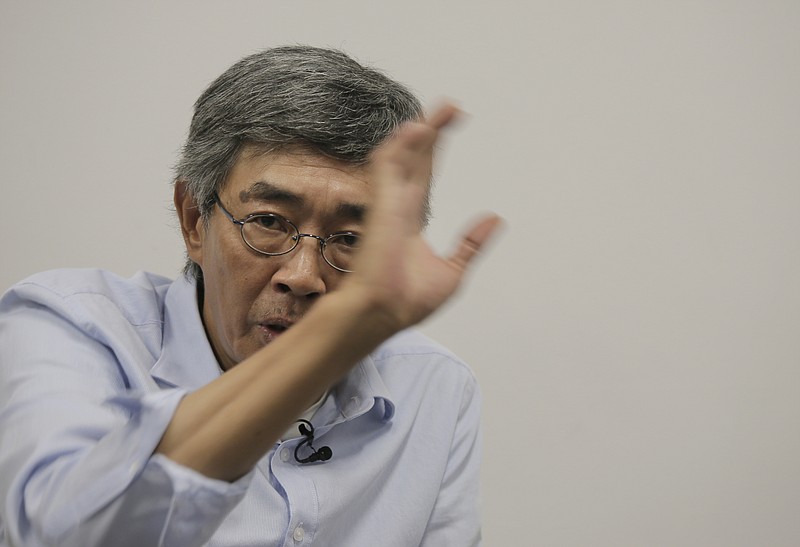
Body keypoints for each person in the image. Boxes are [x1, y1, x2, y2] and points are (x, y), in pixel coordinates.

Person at [0, 45, 500, 546]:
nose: (304, 277)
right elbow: (61, 536)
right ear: (194, 220)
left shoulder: (432, 385)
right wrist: (338, 331)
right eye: (268, 222)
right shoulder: (67, 326)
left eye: (350, 239)